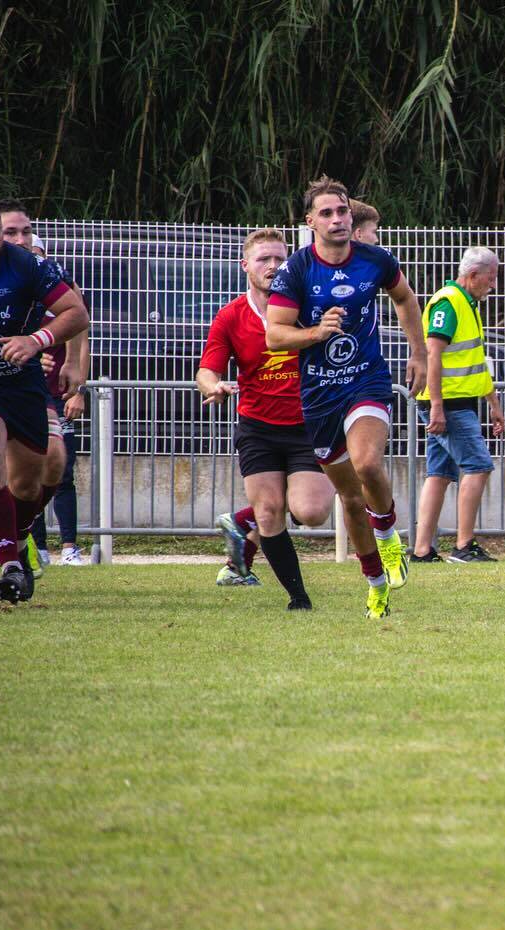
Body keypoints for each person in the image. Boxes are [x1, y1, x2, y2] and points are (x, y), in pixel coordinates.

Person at [266, 176, 426, 618]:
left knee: (368, 463)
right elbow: (275, 335)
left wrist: (419, 354)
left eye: (343, 211)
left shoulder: (375, 259)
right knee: (351, 500)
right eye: (327, 213)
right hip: (320, 394)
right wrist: (316, 332)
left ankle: (389, 536)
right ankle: (375, 584)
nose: (338, 219)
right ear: (311, 221)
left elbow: (405, 298)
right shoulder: (297, 270)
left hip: (366, 381)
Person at [198, 228, 337, 610]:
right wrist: (213, 386)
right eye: (264, 259)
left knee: (311, 512)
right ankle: (298, 598)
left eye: (280, 259)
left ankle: (243, 521)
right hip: (258, 428)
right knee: (269, 512)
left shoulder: (307, 308)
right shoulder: (231, 316)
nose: (273, 266)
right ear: (246, 265)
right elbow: (206, 369)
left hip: (309, 426)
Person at [0, 196, 90, 603]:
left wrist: (37, 341)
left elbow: (76, 313)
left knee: (38, 476)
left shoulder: (28, 265)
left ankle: (19, 535)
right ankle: (10, 564)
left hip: (24, 384)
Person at [411, 246, 505, 564]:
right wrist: (437, 406)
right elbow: (433, 354)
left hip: (454, 400)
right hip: (448, 403)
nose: (493, 285)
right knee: (479, 467)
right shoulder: (449, 302)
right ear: (474, 275)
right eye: (491, 278)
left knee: (439, 474)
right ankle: (464, 545)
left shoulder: (466, 303)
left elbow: (474, 360)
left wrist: (492, 400)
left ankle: (422, 549)